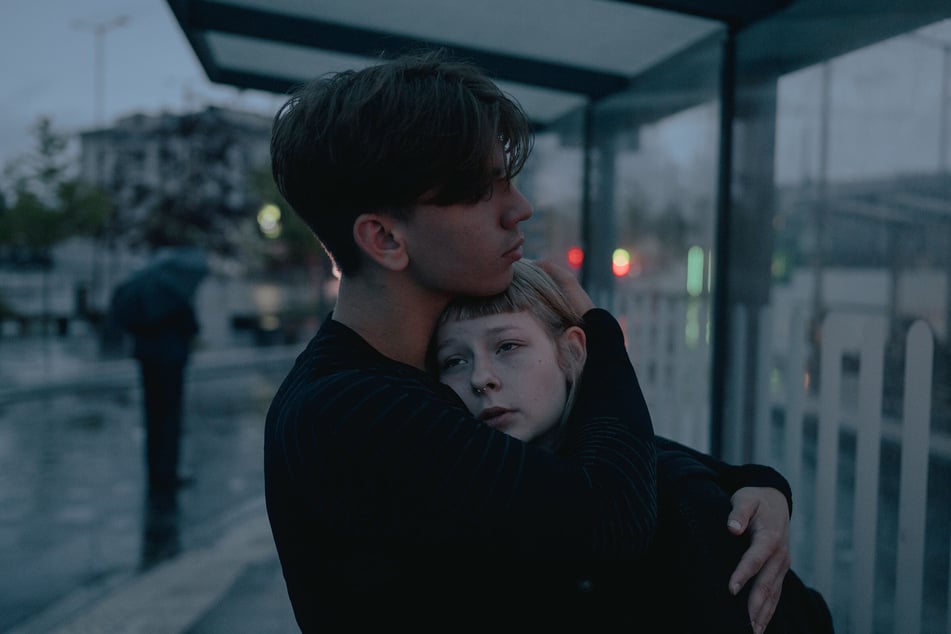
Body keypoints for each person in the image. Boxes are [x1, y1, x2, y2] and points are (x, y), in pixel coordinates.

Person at [265, 49, 792, 631]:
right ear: (385, 238)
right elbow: (607, 517)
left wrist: (752, 484)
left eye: (508, 180)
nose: (520, 209)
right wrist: (598, 334)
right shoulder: (349, 410)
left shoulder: (406, 375)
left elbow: (573, 451)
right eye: (480, 189)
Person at [431, 259, 835, 633]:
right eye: (455, 361)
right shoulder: (473, 486)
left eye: (507, 347)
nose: (481, 378)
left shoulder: (676, 502)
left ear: (571, 352)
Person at [110, 247, 207, 494]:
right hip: (172, 363)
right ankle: (168, 472)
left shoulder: (142, 296)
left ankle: (155, 472)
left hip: (148, 362)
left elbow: (131, 325)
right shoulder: (175, 297)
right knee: (170, 418)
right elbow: (192, 328)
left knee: (152, 417)